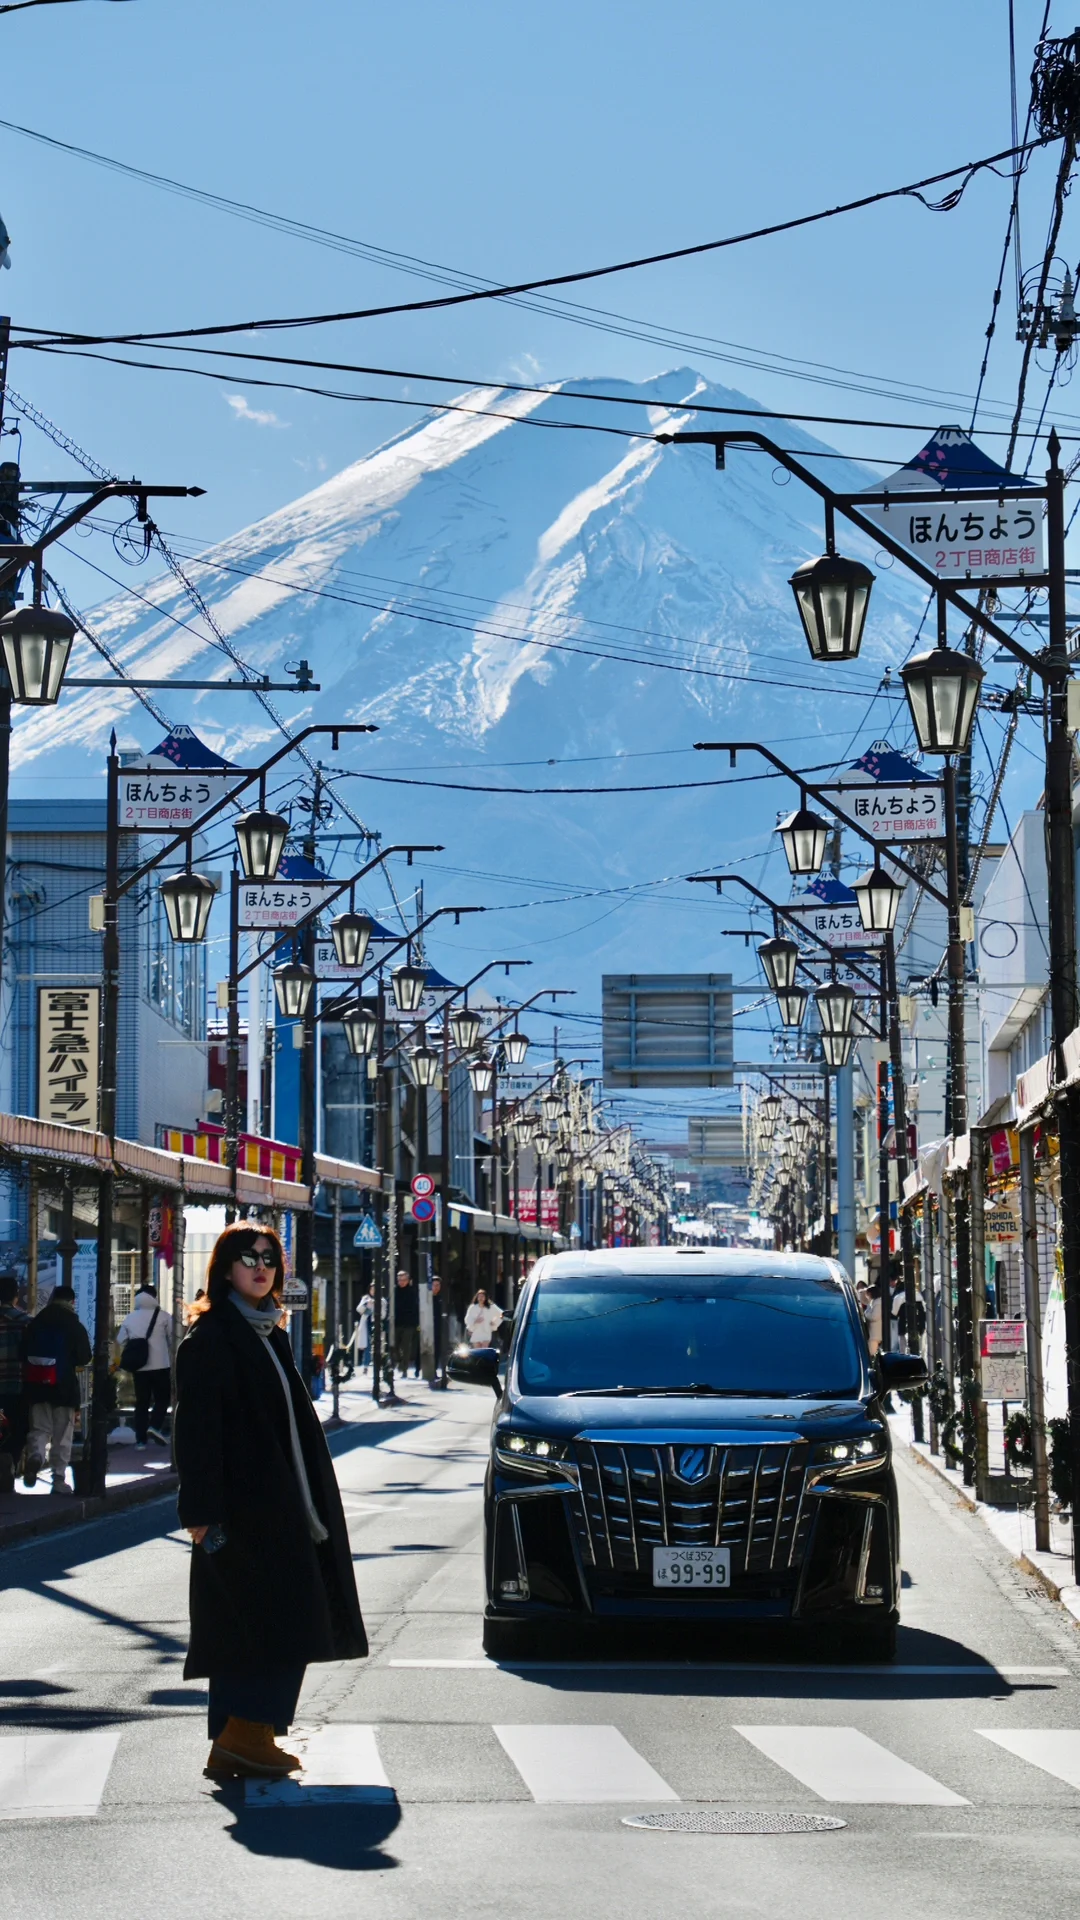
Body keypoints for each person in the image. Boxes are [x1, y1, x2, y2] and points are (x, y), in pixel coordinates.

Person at [174, 1225, 367, 1781]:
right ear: (224, 1268)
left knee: (270, 1618)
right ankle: (244, 1735)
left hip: (282, 1505)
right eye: (248, 1258)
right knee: (261, 1620)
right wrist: (201, 1516)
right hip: (240, 1510)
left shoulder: (268, 1332)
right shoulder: (210, 1337)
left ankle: (244, 1737)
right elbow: (196, 1432)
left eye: (269, 1259)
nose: (261, 1267)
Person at [21, 1283, 92, 1494]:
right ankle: (58, 1479)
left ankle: (35, 1456)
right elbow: (84, 1357)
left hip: (36, 1383)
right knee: (63, 1434)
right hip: (63, 1386)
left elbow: (22, 1352)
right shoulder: (73, 1324)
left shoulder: (37, 1322)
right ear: (72, 1302)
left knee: (39, 1428)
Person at [116, 1278, 172, 1448]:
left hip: (139, 1367)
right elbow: (173, 1339)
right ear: (155, 1298)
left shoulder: (130, 1318)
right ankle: (155, 1426)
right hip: (161, 1365)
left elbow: (120, 1340)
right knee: (162, 1399)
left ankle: (140, 1440)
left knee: (142, 1402)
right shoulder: (164, 1316)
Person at [0, 1273, 29, 1491]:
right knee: (19, 1430)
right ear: (15, 1297)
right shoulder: (25, 1322)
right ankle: (9, 1466)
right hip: (17, 1386)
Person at [392, 1267, 419, 1376]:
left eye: (403, 1280)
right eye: (399, 1280)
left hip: (409, 1323)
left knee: (406, 1347)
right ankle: (399, 1362)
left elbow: (415, 1307)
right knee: (394, 1346)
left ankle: (404, 1369)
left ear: (408, 1280)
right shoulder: (394, 1290)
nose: (401, 1282)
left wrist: (416, 1322)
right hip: (396, 1322)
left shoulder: (412, 1291)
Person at [354, 1289, 373, 1370]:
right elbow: (359, 1309)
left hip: (377, 1322)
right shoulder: (366, 1298)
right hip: (367, 1323)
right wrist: (366, 1304)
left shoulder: (381, 1299)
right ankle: (366, 1364)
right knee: (367, 1344)